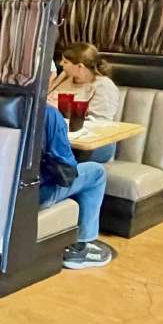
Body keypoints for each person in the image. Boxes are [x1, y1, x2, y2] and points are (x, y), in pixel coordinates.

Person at [40, 106, 113, 269]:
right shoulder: (48, 113)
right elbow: (67, 170)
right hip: (33, 194)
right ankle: (80, 247)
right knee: (96, 172)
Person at [48, 42, 120, 162]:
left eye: (65, 62)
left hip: (94, 145)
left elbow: (100, 123)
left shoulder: (103, 86)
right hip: (56, 136)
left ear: (80, 67)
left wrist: (59, 110)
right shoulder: (65, 77)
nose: (61, 64)